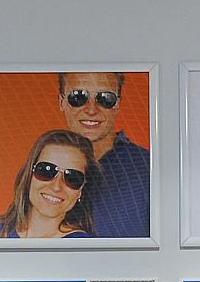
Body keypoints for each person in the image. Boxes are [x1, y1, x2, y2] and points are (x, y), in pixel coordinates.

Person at [57, 71, 148, 238]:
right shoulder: (44, 169)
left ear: (117, 105)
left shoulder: (148, 168)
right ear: (62, 102)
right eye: (78, 97)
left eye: (105, 98)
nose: (91, 110)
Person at [0, 130, 96, 239]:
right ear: (29, 174)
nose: (56, 187)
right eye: (46, 171)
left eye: (72, 178)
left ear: (81, 190)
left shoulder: (84, 246)